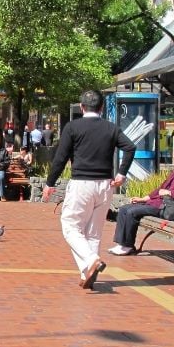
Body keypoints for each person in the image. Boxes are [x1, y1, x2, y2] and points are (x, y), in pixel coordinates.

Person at [42, 90, 136, 290]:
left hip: (82, 184)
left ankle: (91, 259)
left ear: (82, 107)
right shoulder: (111, 128)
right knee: (93, 233)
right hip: (105, 185)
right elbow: (130, 147)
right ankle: (87, 272)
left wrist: (50, 183)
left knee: (70, 226)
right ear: (101, 108)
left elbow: (61, 158)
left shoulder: (73, 127)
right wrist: (121, 173)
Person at [108, 143, 174, 256]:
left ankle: (128, 245)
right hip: (158, 203)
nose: (173, 158)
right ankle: (122, 244)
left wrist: (170, 192)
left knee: (132, 212)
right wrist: (143, 198)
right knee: (124, 209)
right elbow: (161, 188)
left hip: (167, 208)